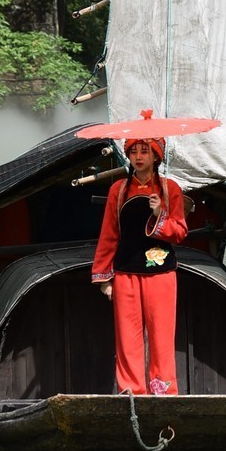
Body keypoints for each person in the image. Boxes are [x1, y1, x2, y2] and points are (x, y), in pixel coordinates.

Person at [92, 133, 188, 395]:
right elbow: (109, 234)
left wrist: (159, 213)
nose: (138, 157)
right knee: (127, 337)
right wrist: (104, 279)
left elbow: (180, 232)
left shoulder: (170, 189)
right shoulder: (118, 190)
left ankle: (163, 393)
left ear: (156, 156)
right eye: (133, 152)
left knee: (161, 336)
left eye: (145, 151)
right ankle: (132, 393)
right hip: (126, 273)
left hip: (161, 275)